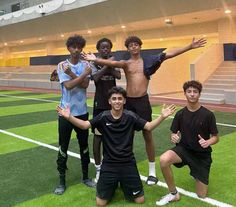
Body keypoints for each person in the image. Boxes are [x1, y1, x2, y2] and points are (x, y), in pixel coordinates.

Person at [82, 36, 207, 185]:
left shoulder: (148, 61)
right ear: (128, 48)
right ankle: (124, 166)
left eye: (136, 45)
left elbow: (169, 54)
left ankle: (152, 171)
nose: (134, 47)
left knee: (148, 134)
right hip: (128, 103)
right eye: (131, 45)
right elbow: (112, 62)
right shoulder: (126, 63)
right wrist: (94, 59)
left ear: (140, 47)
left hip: (142, 102)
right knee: (125, 136)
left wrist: (189, 46)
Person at [57, 86, 176, 206]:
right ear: (109, 101)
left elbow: (148, 127)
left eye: (120, 98)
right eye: (114, 99)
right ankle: (113, 185)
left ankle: (122, 183)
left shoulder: (130, 116)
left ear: (124, 101)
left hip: (128, 163)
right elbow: (84, 125)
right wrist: (69, 117)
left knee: (140, 200)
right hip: (109, 164)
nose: (117, 101)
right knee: (100, 203)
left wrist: (162, 117)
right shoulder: (103, 116)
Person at [156, 80, 219, 206]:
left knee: (201, 195)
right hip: (184, 150)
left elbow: (216, 137)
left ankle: (195, 173)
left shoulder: (208, 115)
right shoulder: (180, 114)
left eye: (195, 92)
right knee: (164, 160)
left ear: (199, 94)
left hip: (201, 156)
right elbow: (173, 133)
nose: (192, 94)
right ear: (185, 94)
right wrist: (173, 137)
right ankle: (173, 194)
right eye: (189, 91)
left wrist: (208, 142)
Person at [54, 34, 95, 195]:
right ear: (68, 48)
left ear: (82, 48)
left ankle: (85, 177)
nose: (76, 50)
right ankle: (61, 181)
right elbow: (69, 86)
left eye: (79, 47)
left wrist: (74, 74)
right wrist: (80, 75)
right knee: (62, 146)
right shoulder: (62, 65)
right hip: (65, 113)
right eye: (73, 47)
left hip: (82, 113)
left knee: (84, 146)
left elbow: (85, 85)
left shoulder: (86, 64)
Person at [92, 38, 121, 183]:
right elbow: (96, 78)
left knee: (113, 136)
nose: (105, 50)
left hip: (114, 105)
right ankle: (98, 168)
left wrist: (110, 64)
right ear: (98, 49)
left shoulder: (113, 62)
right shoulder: (94, 62)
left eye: (107, 48)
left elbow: (118, 75)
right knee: (98, 137)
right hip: (100, 105)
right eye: (102, 47)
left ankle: (111, 164)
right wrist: (106, 65)